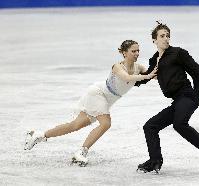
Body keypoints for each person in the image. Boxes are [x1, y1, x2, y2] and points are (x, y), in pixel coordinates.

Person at [24, 40, 157, 167]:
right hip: (98, 94)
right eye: (133, 51)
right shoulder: (117, 66)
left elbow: (153, 75)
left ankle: (40, 135)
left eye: (138, 51)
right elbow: (127, 77)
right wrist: (147, 76)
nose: (137, 53)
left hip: (108, 100)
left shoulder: (138, 67)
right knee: (106, 123)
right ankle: (81, 152)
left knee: (75, 125)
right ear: (124, 53)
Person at [135, 22, 199, 173]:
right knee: (150, 126)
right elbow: (146, 77)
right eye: (162, 36)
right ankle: (155, 161)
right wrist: (129, 80)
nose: (166, 39)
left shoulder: (178, 53)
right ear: (154, 40)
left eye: (168, 36)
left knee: (179, 124)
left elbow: (198, 72)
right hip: (177, 101)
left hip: (187, 96)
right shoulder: (154, 60)